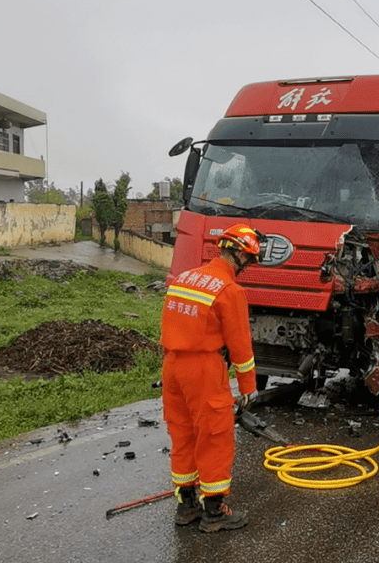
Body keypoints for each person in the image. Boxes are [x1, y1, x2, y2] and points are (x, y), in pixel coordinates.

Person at [160, 224, 263, 533]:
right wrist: (248, 388)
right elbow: (241, 346)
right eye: (250, 260)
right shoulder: (229, 291)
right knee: (214, 436)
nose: (248, 267)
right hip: (203, 368)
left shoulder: (185, 278)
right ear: (241, 255)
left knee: (183, 435)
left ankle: (186, 505)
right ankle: (215, 512)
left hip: (172, 365)